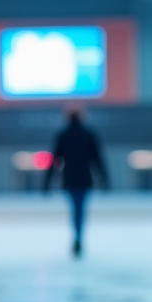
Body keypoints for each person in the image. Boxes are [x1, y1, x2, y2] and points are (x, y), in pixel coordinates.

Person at [43, 108, 109, 257]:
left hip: (70, 179)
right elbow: (98, 159)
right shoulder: (88, 134)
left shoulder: (63, 134)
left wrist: (47, 182)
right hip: (85, 179)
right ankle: (78, 236)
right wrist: (104, 179)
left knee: (75, 208)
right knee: (80, 209)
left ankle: (77, 236)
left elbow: (55, 160)